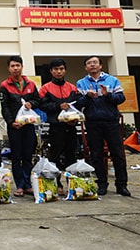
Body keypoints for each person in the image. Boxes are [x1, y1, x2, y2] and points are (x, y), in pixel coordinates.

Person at [76, 56, 130, 196]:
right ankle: (101, 184)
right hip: (93, 123)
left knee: (118, 154)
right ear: (85, 67)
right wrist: (87, 96)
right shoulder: (81, 83)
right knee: (96, 154)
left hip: (111, 122)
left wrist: (107, 95)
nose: (92, 65)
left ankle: (121, 185)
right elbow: (79, 103)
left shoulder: (111, 80)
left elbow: (121, 98)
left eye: (95, 62)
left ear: (100, 65)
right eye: (89, 63)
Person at [0, 55, 40, 197]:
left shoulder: (31, 84)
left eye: (18, 65)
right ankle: (20, 185)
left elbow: (37, 100)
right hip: (14, 127)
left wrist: (32, 104)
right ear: (8, 68)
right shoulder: (4, 85)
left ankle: (28, 184)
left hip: (28, 125)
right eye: (12, 66)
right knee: (16, 156)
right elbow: (4, 107)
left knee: (28, 155)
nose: (16, 68)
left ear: (22, 66)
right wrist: (11, 122)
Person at [38, 58, 80, 195]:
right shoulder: (45, 88)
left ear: (65, 70)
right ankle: (57, 184)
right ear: (51, 71)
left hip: (71, 126)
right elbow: (42, 105)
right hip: (56, 127)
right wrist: (57, 106)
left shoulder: (73, 87)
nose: (59, 72)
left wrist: (74, 119)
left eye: (61, 69)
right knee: (54, 156)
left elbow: (78, 105)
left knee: (71, 156)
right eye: (56, 69)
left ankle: (73, 185)